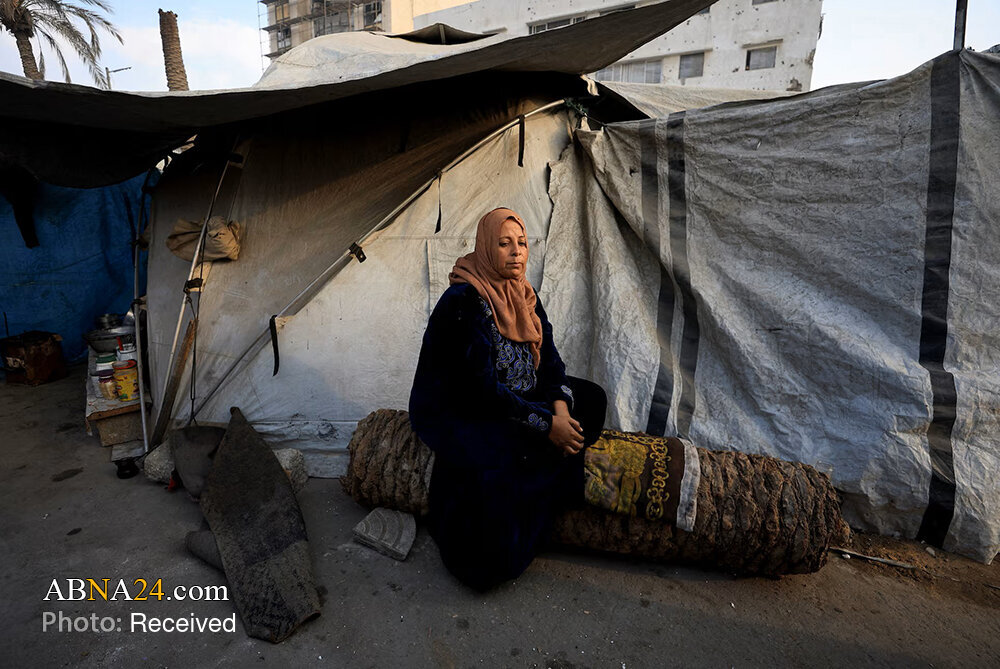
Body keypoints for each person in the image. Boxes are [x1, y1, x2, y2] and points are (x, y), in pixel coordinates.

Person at [409, 207, 607, 590]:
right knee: (498, 470)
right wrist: (547, 425)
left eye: (522, 243)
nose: (516, 252)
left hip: (513, 397)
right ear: (486, 247)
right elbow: (479, 392)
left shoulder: (523, 293)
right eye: (504, 244)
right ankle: (542, 471)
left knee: (592, 399)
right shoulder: (464, 301)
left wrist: (560, 411)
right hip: (460, 409)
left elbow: (550, 361)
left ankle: (543, 458)